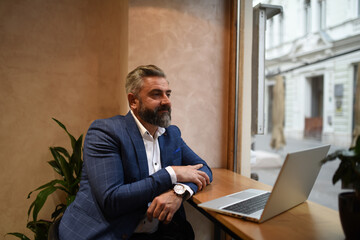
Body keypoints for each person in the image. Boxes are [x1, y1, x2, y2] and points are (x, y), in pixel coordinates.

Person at [58, 65, 213, 240]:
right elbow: (112, 200)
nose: (166, 101)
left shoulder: (171, 134)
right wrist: (172, 173)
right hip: (108, 232)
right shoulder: (105, 132)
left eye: (167, 94)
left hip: (157, 231)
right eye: (156, 94)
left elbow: (204, 169)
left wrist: (178, 192)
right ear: (133, 101)